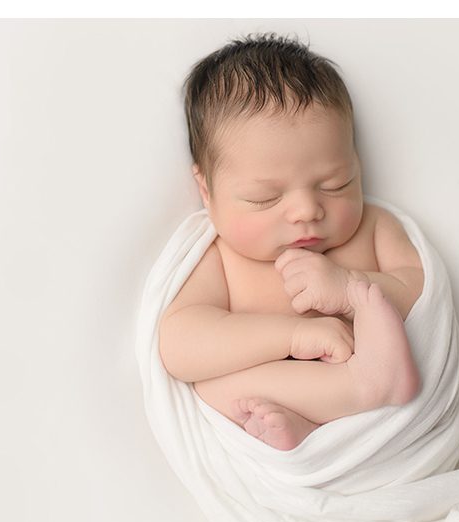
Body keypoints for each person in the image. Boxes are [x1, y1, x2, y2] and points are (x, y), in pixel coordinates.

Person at [158, 32, 427, 451]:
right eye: (264, 198)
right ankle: (317, 419)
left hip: (386, 423)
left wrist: (348, 287)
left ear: (356, 163)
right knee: (212, 383)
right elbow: (179, 345)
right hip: (284, 403)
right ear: (207, 191)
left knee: (219, 384)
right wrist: (291, 337)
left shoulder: (373, 226)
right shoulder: (223, 258)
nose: (306, 210)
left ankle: (366, 388)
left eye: (336, 184)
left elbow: (420, 292)